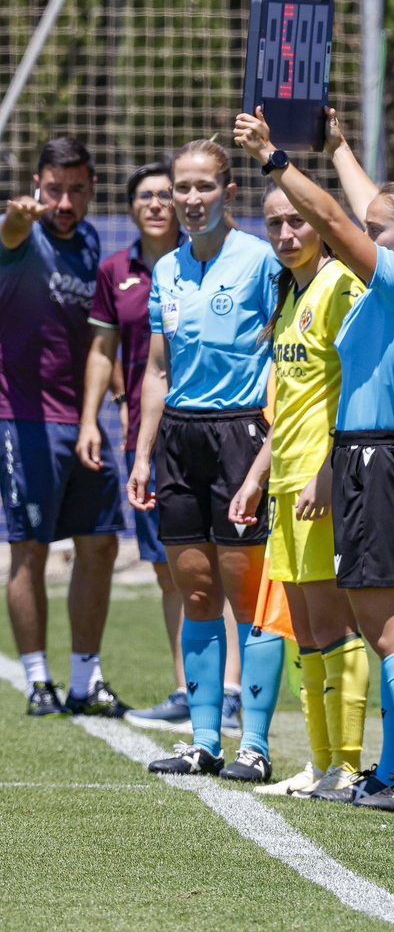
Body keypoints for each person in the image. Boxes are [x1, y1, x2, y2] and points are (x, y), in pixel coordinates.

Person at [233, 104, 394, 815]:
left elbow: (340, 225)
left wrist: (277, 159)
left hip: (378, 459)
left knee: (387, 626)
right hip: (377, 456)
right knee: (387, 623)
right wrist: (338, 147)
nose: (364, 238)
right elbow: (361, 212)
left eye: (381, 233)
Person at [130, 139, 284, 783]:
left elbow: (285, 352)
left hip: (241, 435)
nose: (188, 200)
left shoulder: (262, 261)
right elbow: (158, 371)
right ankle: (202, 739)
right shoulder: (165, 271)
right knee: (195, 590)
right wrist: (142, 453)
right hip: (180, 441)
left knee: (248, 598)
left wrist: (270, 448)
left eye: (201, 187)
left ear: (230, 193)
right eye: (178, 189)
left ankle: (255, 743)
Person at [78, 159, 243, 735]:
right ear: (131, 208)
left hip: (225, 432)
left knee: (228, 565)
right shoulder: (123, 274)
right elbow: (121, 358)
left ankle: (230, 694)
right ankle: (187, 687)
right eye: (148, 195)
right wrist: (95, 420)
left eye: (164, 195)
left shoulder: (226, 260)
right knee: (169, 569)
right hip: (148, 437)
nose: (157, 204)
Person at [228, 179, 370, 800]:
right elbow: (290, 405)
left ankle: (350, 764)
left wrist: (329, 471)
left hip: (321, 482)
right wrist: (258, 478)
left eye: (297, 222)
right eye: (275, 225)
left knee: (334, 626)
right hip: (287, 483)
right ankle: (318, 764)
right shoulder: (292, 296)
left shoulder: (342, 286)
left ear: (320, 222)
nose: (286, 236)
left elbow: (361, 384)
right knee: (305, 630)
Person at [0, 137, 127, 717]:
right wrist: (16, 218)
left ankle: (85, 679)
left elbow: (98, 334)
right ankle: (36, 680)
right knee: (30, 550)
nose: (65, 201)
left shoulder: (92, 244)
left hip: (83, 422)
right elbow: (9, 233)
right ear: (36, 187)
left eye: (76, 189)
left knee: (99, 543)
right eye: (54, 190)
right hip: (23, 420)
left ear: (91, 189)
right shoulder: (22, 237)